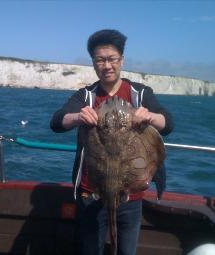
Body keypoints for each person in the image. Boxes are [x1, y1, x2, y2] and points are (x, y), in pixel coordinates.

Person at [50, 29, 174, 255]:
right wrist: (78, 116)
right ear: (94, 63)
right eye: (100, 60)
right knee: (91, 250)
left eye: (112, 59)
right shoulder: (86, 96)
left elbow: (169, 124)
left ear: (121, 60)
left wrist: (150, 116)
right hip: (92, 192)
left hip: (131, 193)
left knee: (127, 251)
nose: (107, 65)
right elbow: (57, 122)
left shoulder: (139, 93)